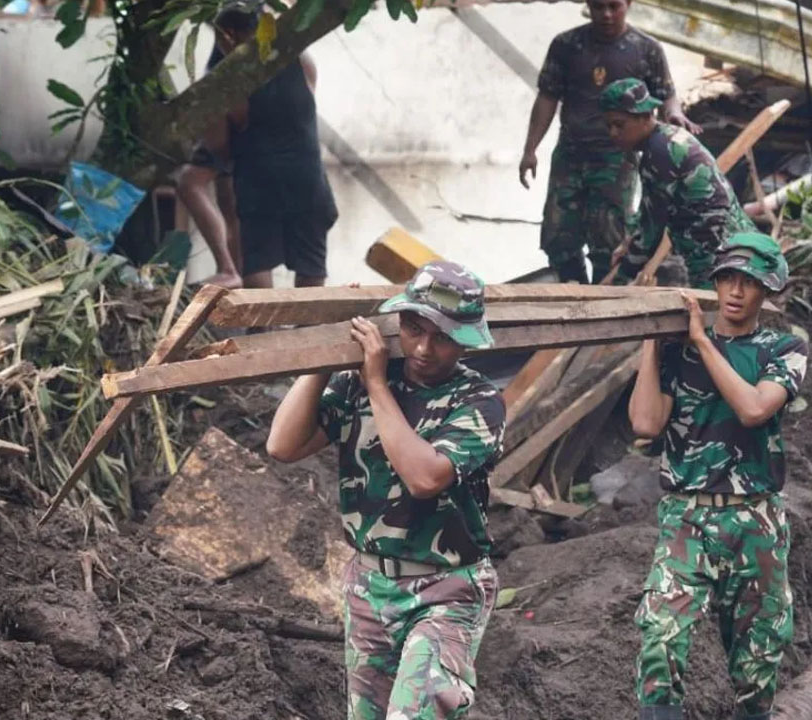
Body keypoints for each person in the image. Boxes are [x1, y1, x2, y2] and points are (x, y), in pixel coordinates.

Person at [266, 261, 506, 719]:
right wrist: (324, 356)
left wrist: (376, 382)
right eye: (414, 329)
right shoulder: (357, 383)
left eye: (442, 336)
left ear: (466, 341)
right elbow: (283, 445)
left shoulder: (478, 401)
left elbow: (425, 478)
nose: (423, 348)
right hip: (369, 586)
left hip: (446, 588)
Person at [627, 233, 807, 720]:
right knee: (661, 639)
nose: (734, 290)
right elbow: (645, 424)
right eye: (728, 277)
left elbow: (753, 408)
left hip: (755, 522)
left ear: (766, 290)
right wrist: (651, 344)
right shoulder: (677, 353)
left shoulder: (783, 349)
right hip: (687, 515)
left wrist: (703, 341)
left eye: (748, 282)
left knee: (757, 660)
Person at [520, 0, 699, 285]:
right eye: (598, 7)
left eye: (614, 7)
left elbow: (666, 93)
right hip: (571, 153)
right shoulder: (566, 45)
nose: (606, 15)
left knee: (610, 240)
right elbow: (547, 97)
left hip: (617, 160)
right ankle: (573, 293)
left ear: (628, 4)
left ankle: (604, 298)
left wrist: (675, 114)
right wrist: (530, 149)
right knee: (558, 237)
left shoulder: (646, 49)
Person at [600, 78, 756, 289]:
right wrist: (628, 243)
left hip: (717, 253)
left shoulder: (659, 154)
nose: (613, 133)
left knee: (716, 316)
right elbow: (648, 208)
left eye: (620, 125)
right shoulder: (666, 139)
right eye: (608, 125)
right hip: (732, 243)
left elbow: (651, 230)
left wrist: (620, 276)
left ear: (646, 116)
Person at [231, 28, 337, 288]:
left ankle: (261, 330)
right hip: (306, 176)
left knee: (258, 260)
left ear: (228, 35)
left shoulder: (232, 79)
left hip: (259, 178)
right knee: (311, 263)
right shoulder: (302, 63)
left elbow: (220, 144)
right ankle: (308, 326)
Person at [174, 3, 259, 288]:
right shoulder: (240, 52)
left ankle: (231, 270)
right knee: (226, 198)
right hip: (232, 131)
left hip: (237, 133)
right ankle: (233, 271)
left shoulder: (244, 54)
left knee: (193, 183)